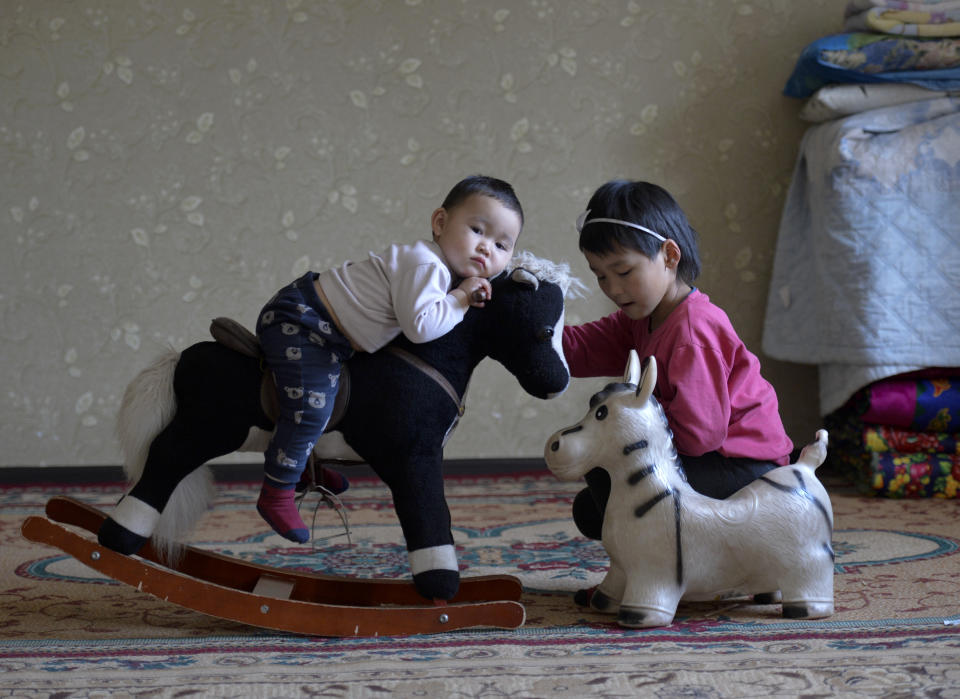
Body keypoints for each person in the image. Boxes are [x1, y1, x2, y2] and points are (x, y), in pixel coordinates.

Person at [257, 175, 524, 542]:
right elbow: (421, 327)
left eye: (501, 244)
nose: (485, 248)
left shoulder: (436, 269)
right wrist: (462, 298)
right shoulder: (427, 265)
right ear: (440, 223)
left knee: (339, 395)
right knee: (312, 404)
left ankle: (303, 465)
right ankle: (277, 489)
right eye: (477, 229)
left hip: (329, 333)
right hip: (304, 321)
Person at [563, 179, 793, 548]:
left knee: (617, 484)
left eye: (623, 272)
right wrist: (530, 328)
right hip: (709, 457)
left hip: (745, 469)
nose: (613, 289)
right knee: (592, 508)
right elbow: (580, 349)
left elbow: (700, 435)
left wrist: (626, 425)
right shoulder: (640, 317)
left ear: (670, 256)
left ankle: (661, 571)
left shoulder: (691, 330)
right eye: (600, 275)